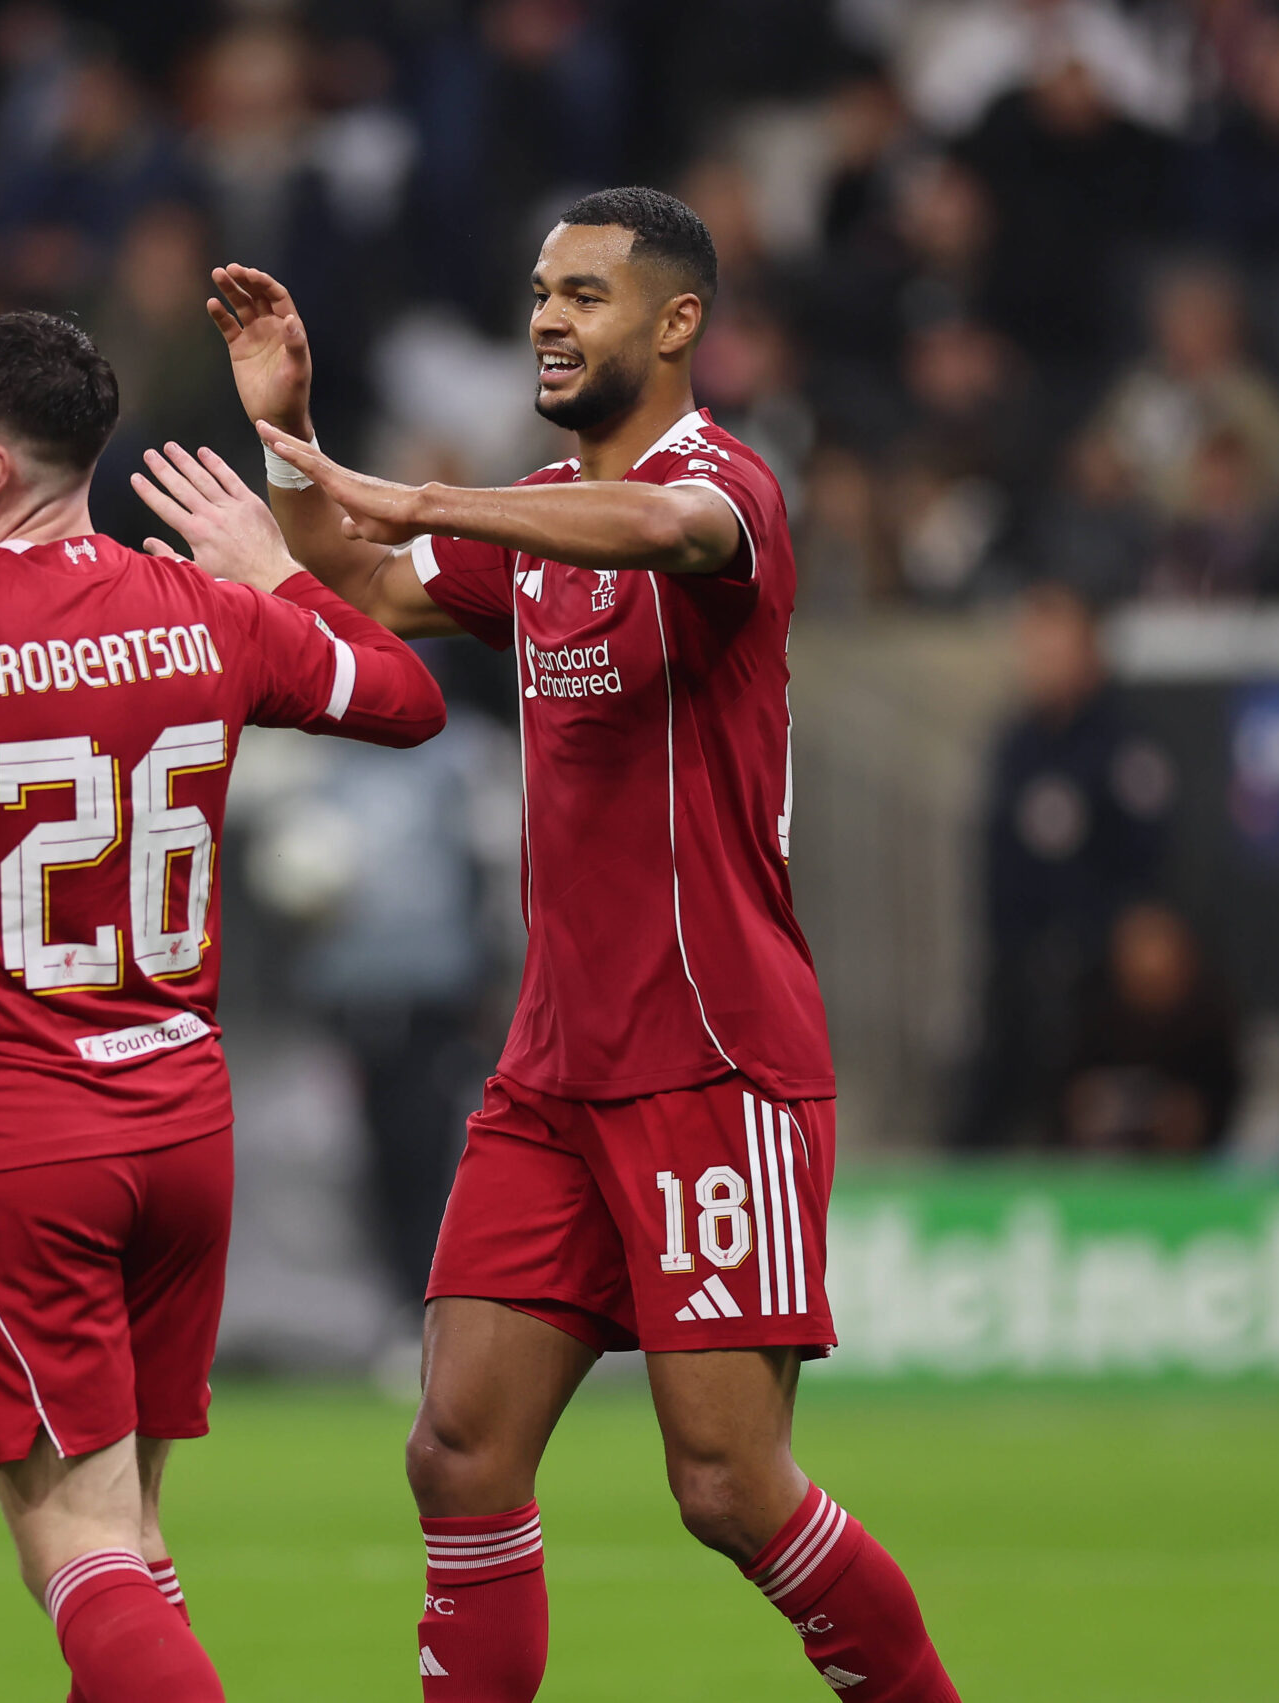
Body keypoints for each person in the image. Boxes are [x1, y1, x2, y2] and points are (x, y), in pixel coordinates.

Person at [225, 189, 962, 1699]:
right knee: (458, 1448)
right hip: (555, 1063)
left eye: (587, 293)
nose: (550, 317)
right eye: (542, 291)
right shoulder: (542, 524)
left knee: (728, 1487)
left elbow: (663, 529)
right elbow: (360, 588)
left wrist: (427, 499)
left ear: (677, 323)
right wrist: (291, 432)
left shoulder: (727, 489)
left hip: (713, 1055)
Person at [0, 308, 445, 1703]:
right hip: (182, 1130)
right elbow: (410, 698)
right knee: (130, 1535)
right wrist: (282, 577)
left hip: (22, 1147)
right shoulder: (210, 612)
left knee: (77, 1543)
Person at [968, 583, 1173, 1147]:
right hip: (1020, 972)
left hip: (1101, 979)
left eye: (1054, 647)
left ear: (1089, 654)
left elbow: (1150, 867)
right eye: (1032, 648)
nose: (1039, 662)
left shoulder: (1125, 746)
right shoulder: (1015, 746)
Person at [1059, 901, 1240, 1155]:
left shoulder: (1213, 1021)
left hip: (1197, 1169)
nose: (1151, 989)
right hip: (1099, 1168)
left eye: (1161, 979)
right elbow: (1063, 1102)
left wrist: (1191, 1118)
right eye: (1140, 979)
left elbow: (1231, 1105)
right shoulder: (1088, 1018)